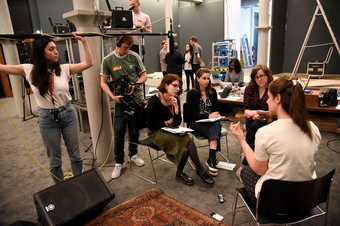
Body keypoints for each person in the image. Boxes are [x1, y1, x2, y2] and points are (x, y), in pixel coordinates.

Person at [0, 33, 93, 183]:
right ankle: (60, 190)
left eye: (56, 48)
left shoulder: (64, 69)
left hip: (68, 114)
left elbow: (89, 63)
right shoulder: (28, 69)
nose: (56, 51)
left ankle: (79, 184)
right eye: (51, 49)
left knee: (75, 156)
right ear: (41, 52)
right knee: (54, 161)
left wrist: (84, 42)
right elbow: (3, 68)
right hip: (46, 118)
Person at [230, 77, 321, 205]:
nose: (267, 101)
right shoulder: (313, 128)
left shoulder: (265, 133)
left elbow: (259, 170)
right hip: (306, 198)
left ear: (278, 98)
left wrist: (241, 139)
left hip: (276, 202)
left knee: (244, 171)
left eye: (269, 97)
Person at [146, 74, 214, 185]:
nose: (178, 89)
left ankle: (199, 170)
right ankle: (182, 171)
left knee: (188, 138)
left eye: (179, 86)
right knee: (185, 148)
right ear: (166, 85)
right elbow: (149, 124)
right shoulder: (154, 101)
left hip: (171, 130)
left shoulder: (175, 99)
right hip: (155, 132)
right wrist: (165, 123)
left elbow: (177, 122)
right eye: (175, 85)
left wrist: (177, 109)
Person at [100, 36, 147, 179]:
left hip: (135, 99)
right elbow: (102, 82)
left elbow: (144, 75)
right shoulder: (107, 60)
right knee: (119, 131)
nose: (127, 51)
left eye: (129, 47)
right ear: (118, 45)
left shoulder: (134, 56)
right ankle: (118, 162)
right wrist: (112, 96)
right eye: (125, 47)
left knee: (134, 130)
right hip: (120, 100)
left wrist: (136, 84)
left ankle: (133, 154)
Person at [185, 68, 222, 176]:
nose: (207, 81)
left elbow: (217, 108)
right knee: (215, 127)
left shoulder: (212, 92)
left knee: (215, 124)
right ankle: (212, 159)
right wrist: (208, 115)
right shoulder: (192, 93)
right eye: (204, 78)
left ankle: (211, 159)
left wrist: (216, 114)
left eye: (208, 78)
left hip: (210, 122)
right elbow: (191, 114)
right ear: (197, 79)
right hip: (195, 123)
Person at [243, 65, 273, 155]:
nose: (259, 79)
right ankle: (252, 155)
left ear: (267, 76)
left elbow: (274, 112)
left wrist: (258, 113)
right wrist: (254, 115)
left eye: (262, 76)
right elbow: (246, 111)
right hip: (252, 119)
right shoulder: (250, 89)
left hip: (269, 120)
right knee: (254, 125)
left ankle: (247, 157)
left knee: (255, 127)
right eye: (257, 77)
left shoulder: (272, 89)